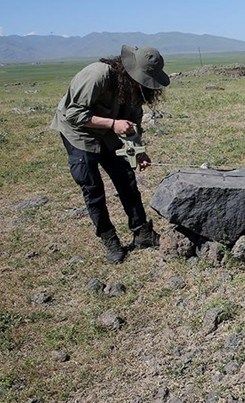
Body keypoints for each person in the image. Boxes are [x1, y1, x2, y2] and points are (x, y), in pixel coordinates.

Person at [51, 45, 170, 264]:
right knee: (92, 187)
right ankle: (109, 239)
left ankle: (141, 232)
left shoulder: (134, 89)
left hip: (107, 131)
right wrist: (113, 124)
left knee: (126, 178)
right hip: (78, 132)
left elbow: (134, 123)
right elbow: (73, 114)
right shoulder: (97, 75)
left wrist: (140, 151)